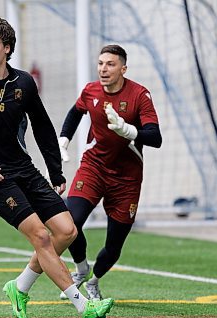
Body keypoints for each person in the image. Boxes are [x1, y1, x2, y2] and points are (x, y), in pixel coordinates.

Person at [0, 17, 114, 318]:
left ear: (7, 48)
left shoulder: (24, 84)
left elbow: (43, 127)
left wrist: (56, 171)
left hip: (25, 169)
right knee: (42, 237)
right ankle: (83, 305)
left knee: (67, 231)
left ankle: (19, 287)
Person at [58, 44, 162, 300]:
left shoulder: (140, 95)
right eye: (101, 63)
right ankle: (81, 268)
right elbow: (75, 113)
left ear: (123, 69)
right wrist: (63, 139)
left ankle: (94, 281)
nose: (104, 69)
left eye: (110, 64)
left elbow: (156, 137)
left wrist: (129, 131)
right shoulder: (91, 90)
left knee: (114, 246)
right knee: (70, 224)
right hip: (93, 168)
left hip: (126, 179)